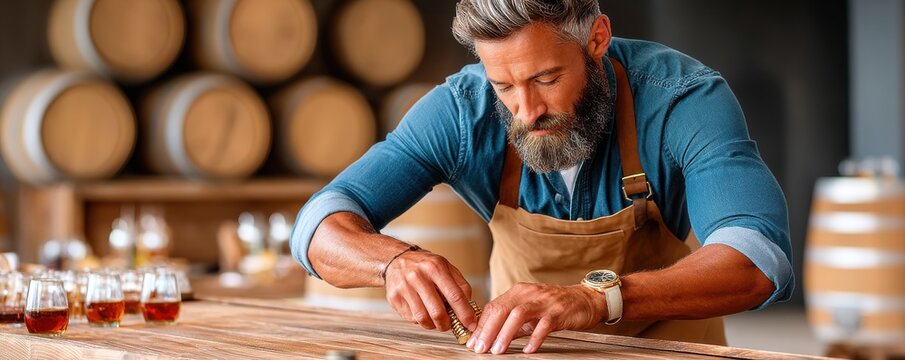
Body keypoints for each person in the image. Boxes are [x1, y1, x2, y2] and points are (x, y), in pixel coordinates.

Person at [291, 0, 793, 355]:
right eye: (503, 85)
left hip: (670, 348)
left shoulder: (683, 98)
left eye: (546, 79)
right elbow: (319, 222)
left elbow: (758, 259)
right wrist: (393, 263)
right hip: (526, 353)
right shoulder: (462, 111)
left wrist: (597, 298)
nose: (527, 111)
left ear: (597, 38)